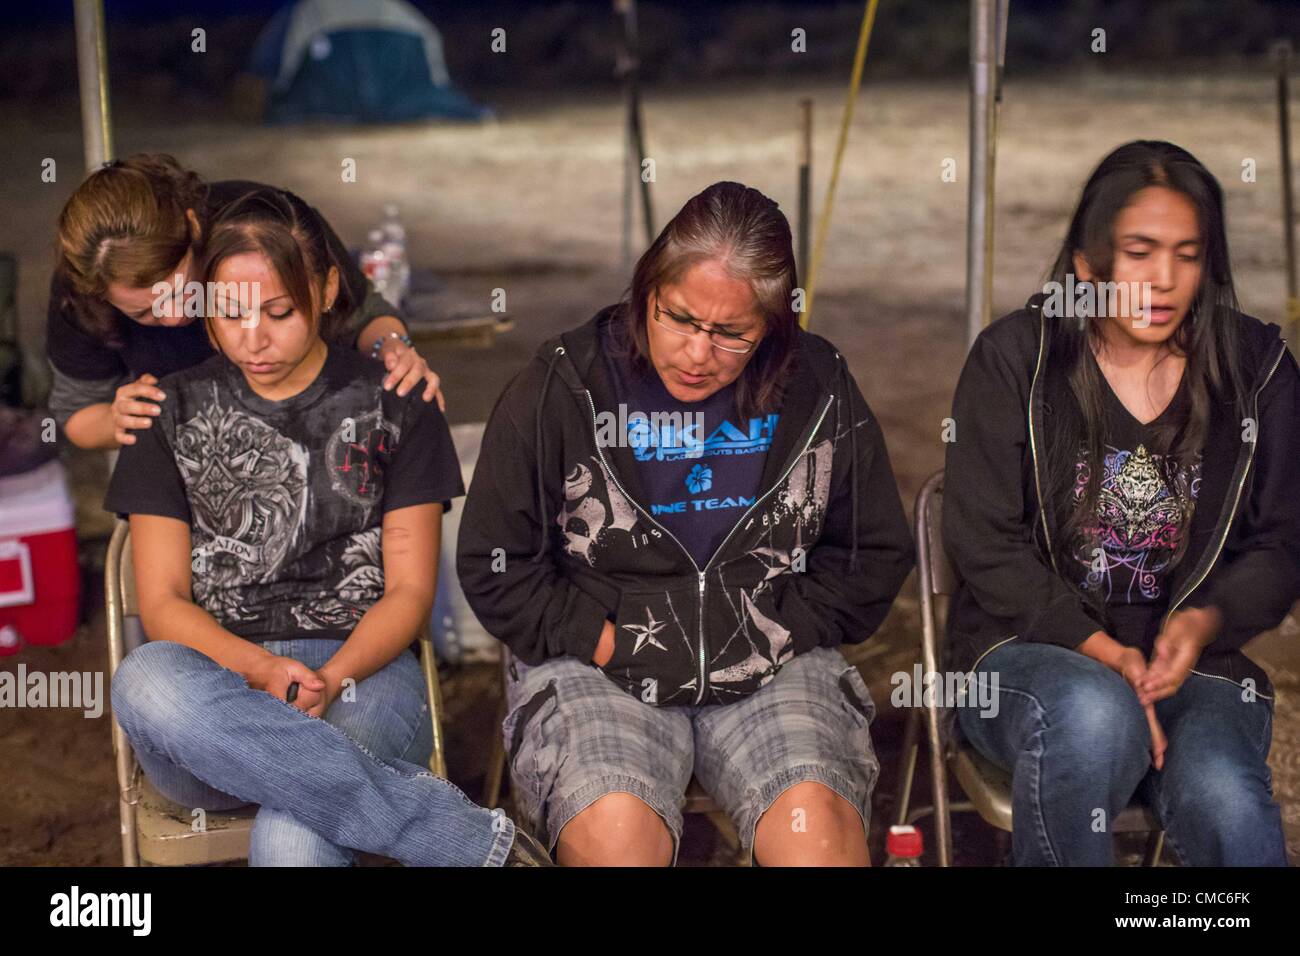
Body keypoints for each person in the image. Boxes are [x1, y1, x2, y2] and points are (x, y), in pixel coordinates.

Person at [457, 181, 915, 866]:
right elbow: (496, 563)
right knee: (617, 838)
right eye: (680, 319)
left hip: (772, 663)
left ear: (772, 326)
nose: (698, 354)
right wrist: (608, 643)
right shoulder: (564, 385)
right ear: (648, 290)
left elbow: (872, 553)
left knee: (814, 837)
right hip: (600, 667)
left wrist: (784, 629)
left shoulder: (816, 385)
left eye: (731, 334)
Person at [105, 187, 548, 866]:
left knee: (297, 826)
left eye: (278, 312)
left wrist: (333, 675)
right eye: (228, 313)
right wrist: (260, 673)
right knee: (144, 679)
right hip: (216, 689)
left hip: (366, 676)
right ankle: (467, 843)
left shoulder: (399, 404)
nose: (251, 337)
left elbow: (407, 594)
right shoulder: (164, 413)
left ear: (327, 286)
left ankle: (382, 807)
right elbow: (162, 604)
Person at [943, 140, 1298, 866]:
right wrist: (1106, 655)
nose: (1164, 279)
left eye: (1188, 253)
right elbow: (983, 543)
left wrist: (1202, 623)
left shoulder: (1256, 371)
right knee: (1094, 714)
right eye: (1139, 251)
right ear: (1087, 264)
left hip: (1193, 668)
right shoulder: (1017, 359)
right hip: (1026, 657)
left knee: (1224, 795)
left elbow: (1282, 542)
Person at [48, 153, 443, 450]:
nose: (173, 319)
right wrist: (116, 421)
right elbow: (76, 412)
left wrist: (390, 346)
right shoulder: (83, 286)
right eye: (143, 314)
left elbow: (362, 313)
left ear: (194, 226)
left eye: (277, 312)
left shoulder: (270, 224)